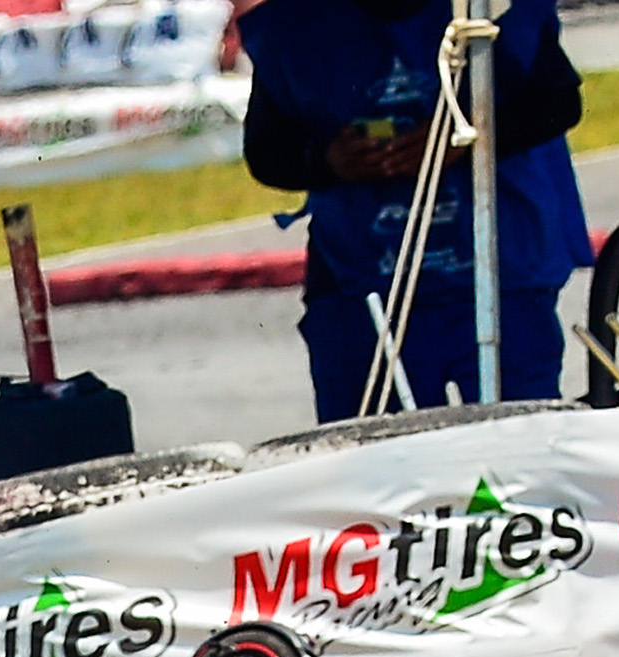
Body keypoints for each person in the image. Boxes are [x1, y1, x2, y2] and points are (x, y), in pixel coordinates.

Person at [237, 0, 594, 422]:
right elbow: (266, 151)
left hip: (498, 271)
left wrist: (466, 135)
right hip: (363, 285)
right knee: (374, 454)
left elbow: (557, 100)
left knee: (509, 453)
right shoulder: (293, 25)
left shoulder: (496, 11)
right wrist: (329, 161)